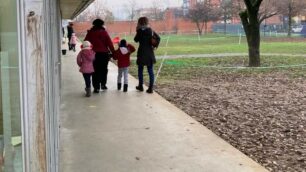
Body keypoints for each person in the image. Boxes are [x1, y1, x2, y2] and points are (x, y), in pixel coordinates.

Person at [84, 19, 115, 93]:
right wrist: (113, 52)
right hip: (104, 54)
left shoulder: (90, 33)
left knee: (95, 71)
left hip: (93, 54)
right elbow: (110, 43)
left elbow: (85, 42)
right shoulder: (104, 32)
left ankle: (96, 87)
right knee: (104, 70)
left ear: (94, 24)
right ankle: (103, 85)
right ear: (102, 24)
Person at [134, 17, 160, 94]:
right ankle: (150, 88)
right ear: (147, 22)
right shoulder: (151, 30)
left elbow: (135, 40)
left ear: (139, 23)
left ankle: (140, 86)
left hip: (141, 53)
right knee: (150, 71)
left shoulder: (139, 31)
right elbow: (158, 38)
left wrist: (137, 30)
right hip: (149, 53)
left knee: (140, 70)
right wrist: (154, 46)